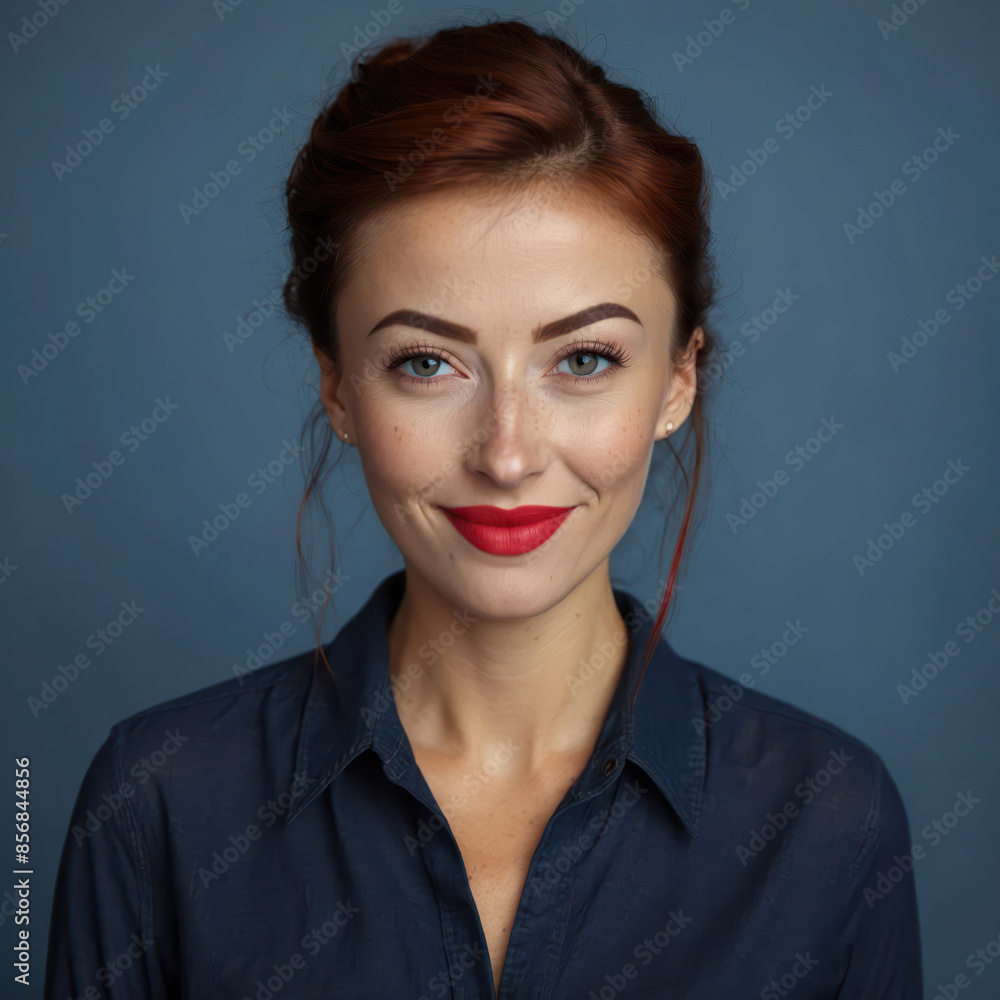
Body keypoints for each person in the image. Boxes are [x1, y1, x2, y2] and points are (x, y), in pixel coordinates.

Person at [44, 17, 921, 999]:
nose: (506, 453)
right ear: (337, 386)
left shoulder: (828, 819)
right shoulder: (157, 803)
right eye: (426, 362)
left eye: (583, 360)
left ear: (678, 379)